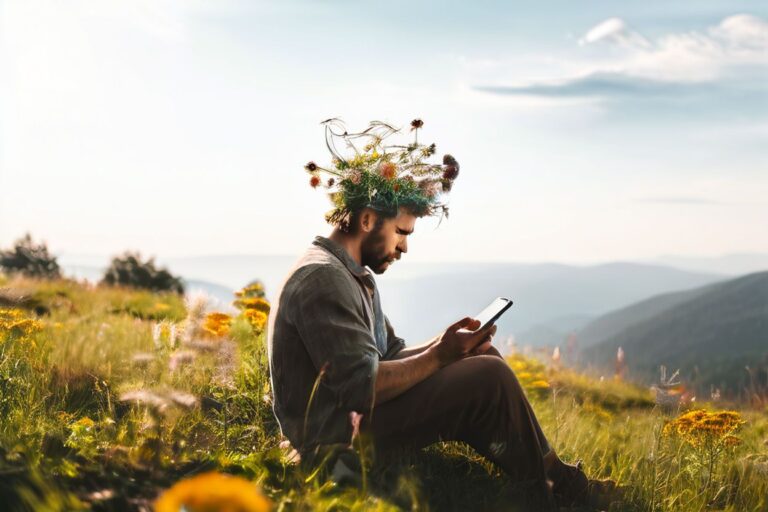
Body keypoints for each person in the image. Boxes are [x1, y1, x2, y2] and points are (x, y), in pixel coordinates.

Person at [267, 120, 593, 509]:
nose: (404, 247)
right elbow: (361, 388)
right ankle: (554, 492)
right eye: (401, 232)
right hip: (331, 443)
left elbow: (386, 356)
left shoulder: (349, 274)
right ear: (368, 219)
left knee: (482, 358)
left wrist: (450, 346)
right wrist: (440, 356)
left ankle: (554, 474)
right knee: (489, 376)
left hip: (350, 420)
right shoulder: (323, 279)